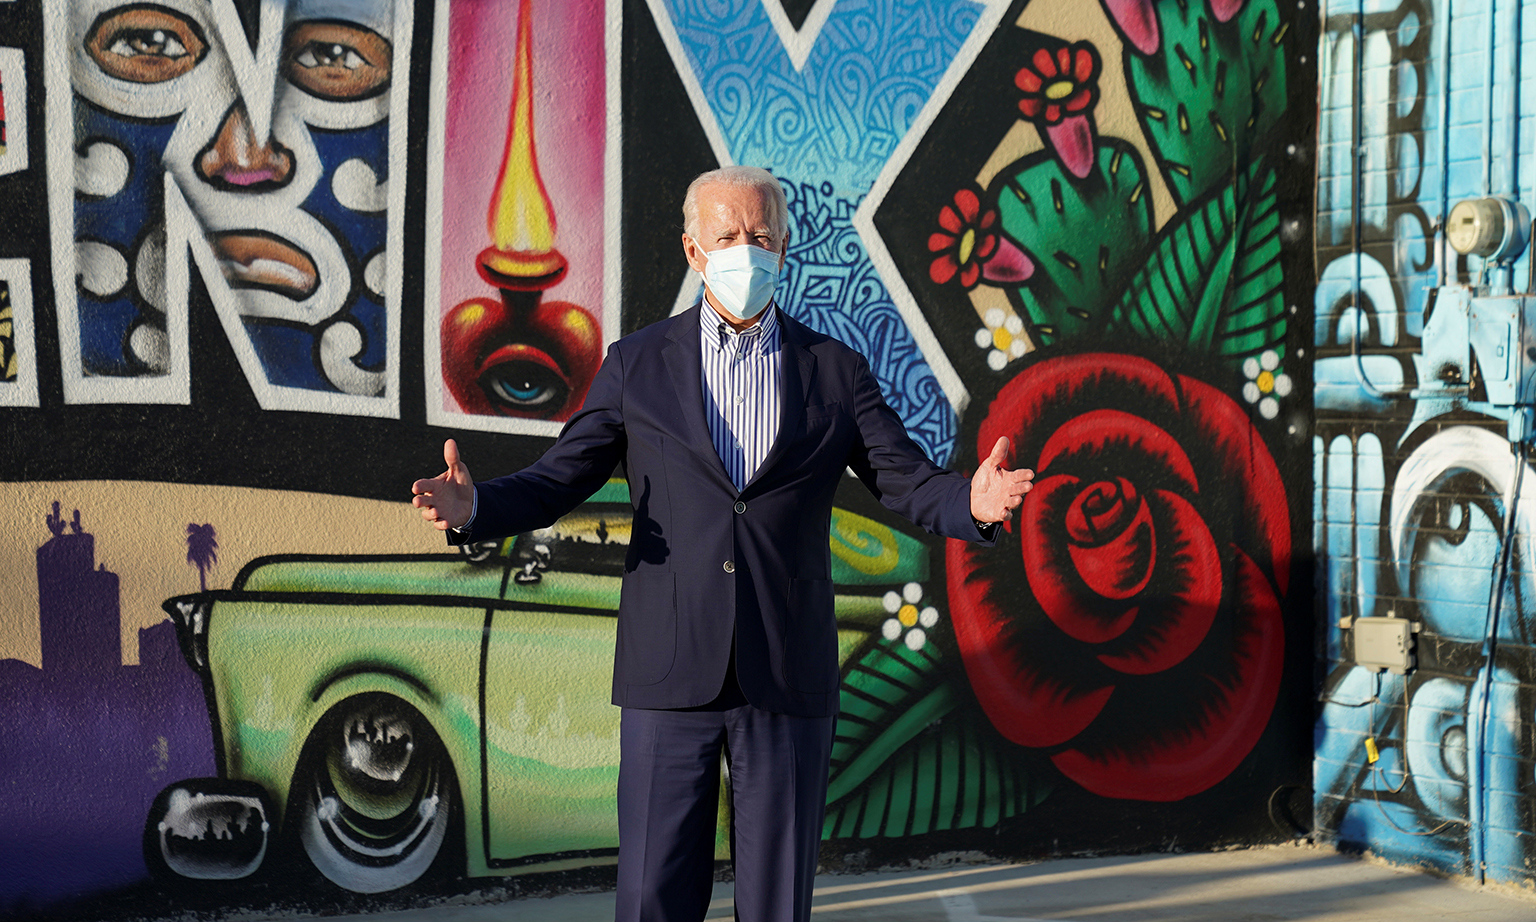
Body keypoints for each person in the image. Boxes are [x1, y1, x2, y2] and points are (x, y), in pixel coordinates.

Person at [411, 165, 1033, 922]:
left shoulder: (834, 371)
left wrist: (972, 503)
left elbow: (905, 481)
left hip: (786, 671)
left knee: (777, 903)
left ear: (785, 248)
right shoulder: (636, 365)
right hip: (669, 671)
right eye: (728, 235)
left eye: (761, 237)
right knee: (652, 897)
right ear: (693, 249)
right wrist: (475, 507)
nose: (746, 250)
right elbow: (559, 478)